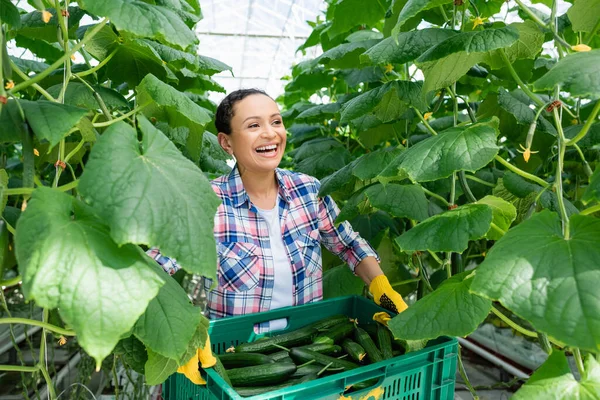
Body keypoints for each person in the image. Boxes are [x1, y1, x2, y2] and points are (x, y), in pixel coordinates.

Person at [148, 89, 408, 385]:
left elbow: (348, 243)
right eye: (254, 125)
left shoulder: (308, 191)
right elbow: (152, 272)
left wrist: (379, 285)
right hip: (237, 357)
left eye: (276, 122)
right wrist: (185, 331)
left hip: (308, 355)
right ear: (226, 142)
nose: (270, 134)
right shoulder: (204, 201)